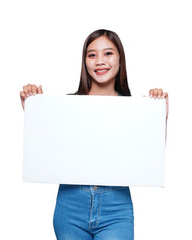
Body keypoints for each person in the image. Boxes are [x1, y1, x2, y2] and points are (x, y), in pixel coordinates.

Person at [19, 29, 168, 240]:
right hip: (70, 206)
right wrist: (34, 108)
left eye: (108, 53)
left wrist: (158, 117)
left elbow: (149, 161)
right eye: (92, 55)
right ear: (85, 61)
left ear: (120, 59)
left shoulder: (136, 109)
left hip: (116, 208)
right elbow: (47, 150)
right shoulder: (65, 107)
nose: (100, 61)